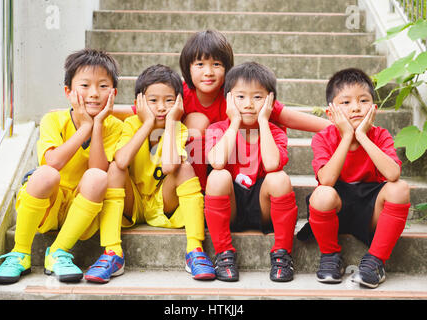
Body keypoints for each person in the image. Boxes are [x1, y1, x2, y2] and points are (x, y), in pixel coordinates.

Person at [113, 30, 331, 189]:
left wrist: (334, 126)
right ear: (187, 69)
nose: (208, 72)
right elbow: (139, 111)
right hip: (188, 163)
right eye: (200, 65)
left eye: (216, 64)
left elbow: (286, 116)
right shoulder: (180, 95)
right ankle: (196, 193)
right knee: (197, 123)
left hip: (230, 167)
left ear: (227, 69)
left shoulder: (237, 95)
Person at [0, 49, 123, 284]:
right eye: (85, 85)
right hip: (48, 206)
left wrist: (96, 124)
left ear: (113, 93)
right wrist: (83, 127)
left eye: (103, 86)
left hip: (81, 208)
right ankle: (20, 253)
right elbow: (52, 161)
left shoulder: (112, 126)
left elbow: (98, 168)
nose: (94, 94)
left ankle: (58, 252)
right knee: (45, 174)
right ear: (68, 92)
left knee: (97, 176)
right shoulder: (53, 120)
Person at [297, 68, 411, 289]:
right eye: (346, 103)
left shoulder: (380, 135)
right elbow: (327, 180)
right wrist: (347, 136)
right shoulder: (323, 138)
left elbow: (392, 174)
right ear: (331, 113)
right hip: (336, 209)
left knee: (400, 188)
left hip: (370, 209)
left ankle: (375, 262)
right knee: (321, 194)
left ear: (374, 108)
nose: (356, 107)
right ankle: (330, 256)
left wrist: (361, 136)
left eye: (363, 100)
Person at [106, 64, 216, 281]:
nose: (161, 107)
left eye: (169, 100)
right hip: (133, 202)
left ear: (178, 103)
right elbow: (122, 160)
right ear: (139, 103)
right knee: (114, 169)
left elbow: (169, 166)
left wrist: (173, 122)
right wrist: (147, 123)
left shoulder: (178, 128)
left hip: (162, 203)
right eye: (153, 100)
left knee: (184, 168)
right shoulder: (130, 124)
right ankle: (112, 251)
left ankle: (194, 249)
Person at [204, 62, 298, 282]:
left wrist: (264, 121)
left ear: (270, 101)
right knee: (218, 176)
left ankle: (282, 254)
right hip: (232, 207)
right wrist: (234, 122)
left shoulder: (275, 132)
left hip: (262, 208)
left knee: (279, 179)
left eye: (257, 97)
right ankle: (223, 254)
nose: (248, 105)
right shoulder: (217, 129)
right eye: (240, 97)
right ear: (228, 99)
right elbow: (217, 162)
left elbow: (274, 164)